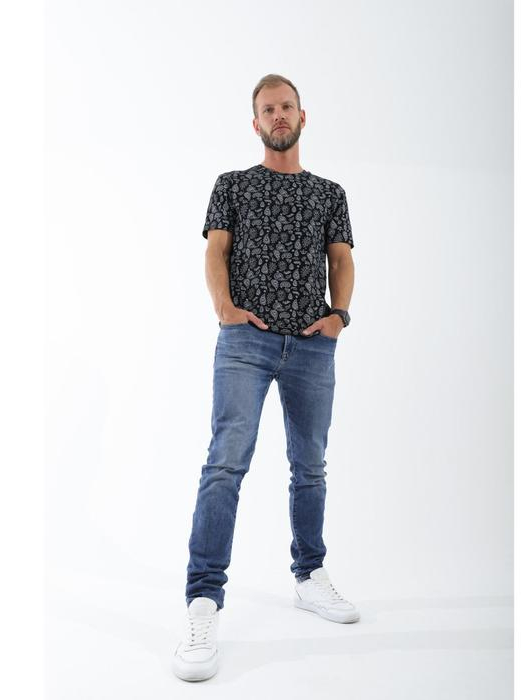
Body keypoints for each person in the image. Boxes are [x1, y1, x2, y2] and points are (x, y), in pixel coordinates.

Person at [172, 74, 359, 683]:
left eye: (286, 107)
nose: (279, 116)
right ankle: (203, 602)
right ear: (256, 124)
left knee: (311, 465)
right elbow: (215, 251)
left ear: (303, 116)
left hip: (311, 344)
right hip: (245, 342)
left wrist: (338, 316)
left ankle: (310, 574)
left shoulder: (329, 193)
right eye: (268, 109)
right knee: (225, 462)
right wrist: (225, 309)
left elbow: (341, 259)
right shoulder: (232, 184)